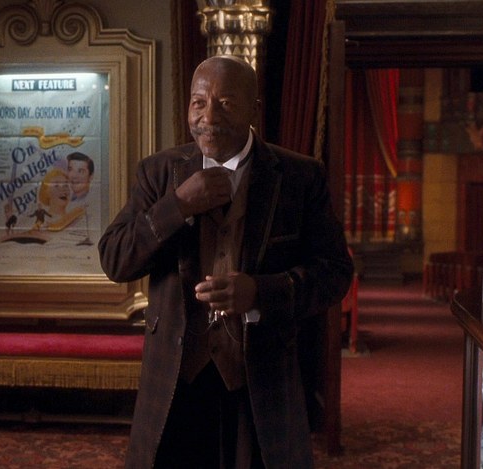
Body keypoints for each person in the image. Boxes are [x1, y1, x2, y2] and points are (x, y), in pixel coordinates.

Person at [98, 55, 353, 468]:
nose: (208, 117)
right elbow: (115, 260)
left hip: (260, 382)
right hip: (176, 380)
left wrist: (260, 292)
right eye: (199, 103)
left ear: (254, 109)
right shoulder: (159, 173)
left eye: (226, 104)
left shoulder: (300, 177)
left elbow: (335, 273)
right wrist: (177, 206)